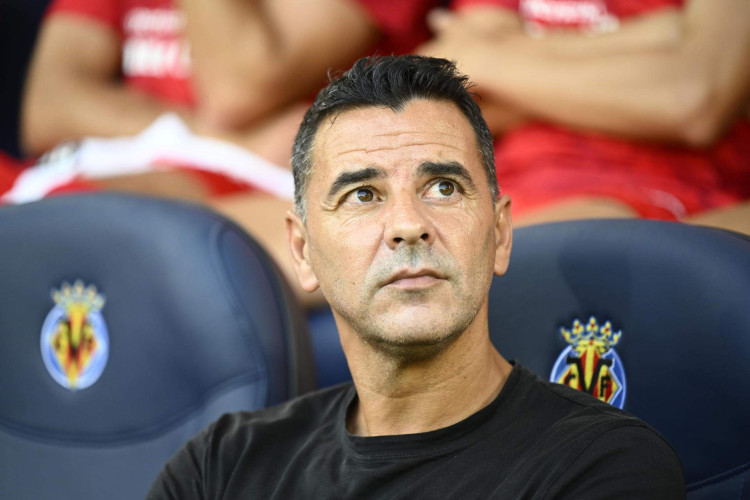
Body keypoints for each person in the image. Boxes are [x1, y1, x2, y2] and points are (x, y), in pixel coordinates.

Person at [146, 55, 685, 499]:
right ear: (303, 251)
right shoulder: (220, 466)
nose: (408, 225)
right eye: (363, 194)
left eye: (444, 188)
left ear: (500, 234)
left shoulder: (606, 468)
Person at [418, 0, 750, 232]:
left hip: (678, 195)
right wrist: (658, 38)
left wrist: (485, 58)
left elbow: (692, 101)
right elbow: (450, 103)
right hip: (511, 197)